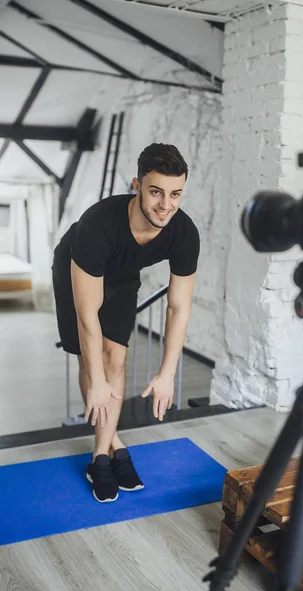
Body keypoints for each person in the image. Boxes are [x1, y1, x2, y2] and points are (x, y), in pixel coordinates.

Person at [52, 143, 200, 503]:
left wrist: (167, 374)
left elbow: (178, 308)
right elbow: (88, 317)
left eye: (175, 194)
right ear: (137, 185)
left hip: (122, 276)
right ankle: (108, 450)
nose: (166, 205)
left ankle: (100, 452)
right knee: (92, 360)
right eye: (155, 192)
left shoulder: (183, 232)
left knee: (116, 357)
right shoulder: (97, 225)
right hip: (77, 266)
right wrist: (98, 382)